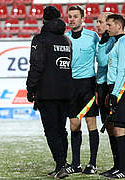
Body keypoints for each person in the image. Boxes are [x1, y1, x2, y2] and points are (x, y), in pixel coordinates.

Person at [26, 6, 73, 179]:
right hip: (66, 92)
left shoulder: (40, 39)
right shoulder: (67, 40)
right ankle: (62, 164)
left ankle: (60, 165)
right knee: (62, 130)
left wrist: (30, 89)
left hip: (47, 93)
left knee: (52, 131)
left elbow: (36, 66)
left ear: (44, 20)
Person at [96, 13, 125, 178]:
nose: (106, 28)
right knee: (123, 127)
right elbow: (103, 62)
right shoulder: (115, 42)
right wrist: (102, 44)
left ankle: (123, 169)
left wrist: (115, 93)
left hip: (121, 89)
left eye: (109, 25)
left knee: (119, 128)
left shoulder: (124, 43)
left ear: (118, 25)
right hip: (114, 88)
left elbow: (123, 72)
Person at [64, 5, 100, 174]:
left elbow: (101, 59)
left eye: (75, 16)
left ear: (82, 19)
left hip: (88, 85)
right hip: (70, 86)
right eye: (70, 16)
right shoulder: (64, 38)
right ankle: (76, 164)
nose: (72, 19)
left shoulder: (93, 37)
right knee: (74, 125)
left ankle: (92, 163)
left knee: (91, 123)